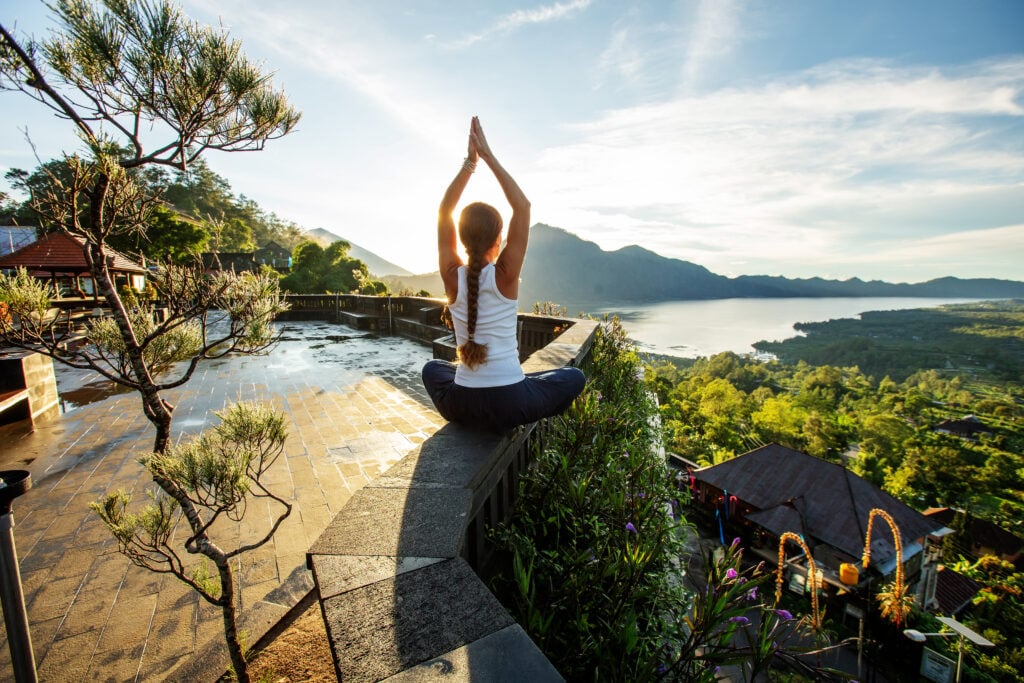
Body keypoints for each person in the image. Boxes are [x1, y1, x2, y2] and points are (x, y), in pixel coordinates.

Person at [422, 117, 585, 431]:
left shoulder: (451, 275)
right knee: (573, 377)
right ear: (498, 242)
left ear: (464, 240)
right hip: (511, 403)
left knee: (433, 369)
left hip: (462, 404)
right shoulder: (505, 275)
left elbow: (444, 210)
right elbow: (522, 206)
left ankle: (512, 382)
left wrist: (469, 164)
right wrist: (488, 156)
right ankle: (523, 379)